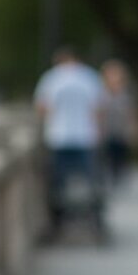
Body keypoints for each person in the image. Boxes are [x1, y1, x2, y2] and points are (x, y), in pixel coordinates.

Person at [34, 46, 108, 238]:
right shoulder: (89, 77)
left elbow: (42, 108)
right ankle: (95, 222)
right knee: (91, 183)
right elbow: (98, 108)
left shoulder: (52, 78)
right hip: (85, 137)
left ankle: (58, 224)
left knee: (58, 185)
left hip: (59, 136)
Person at [100, 58, 138, 189]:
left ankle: (118, 179)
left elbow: (131, 112)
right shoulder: (100, 92)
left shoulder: (127, 93)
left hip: (121, 130)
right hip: (105, 129)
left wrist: (134, 127)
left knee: (120, 155)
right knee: (107, 155)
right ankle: (107, 179)